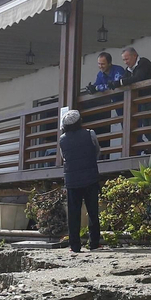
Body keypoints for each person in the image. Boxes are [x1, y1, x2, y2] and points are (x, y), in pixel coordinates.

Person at [58, 108, 102, 253]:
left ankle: (75, 246)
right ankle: (94, 243)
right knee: (93, 211)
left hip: (72, 180)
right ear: (79, 122)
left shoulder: (62, 139)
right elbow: (97, 151)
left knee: (73, 213)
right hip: (90, 177)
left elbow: (63, 157)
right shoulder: (90, 134)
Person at [119, 46, 151, 151]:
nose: (125, 62)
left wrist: (120, 82)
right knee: (145, 125)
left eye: (126, 59)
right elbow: (124, 80)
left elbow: (138, 78)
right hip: (143, 100)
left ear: (134, 56)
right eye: (123, 60)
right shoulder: (128, 70)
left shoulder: (144, 62)